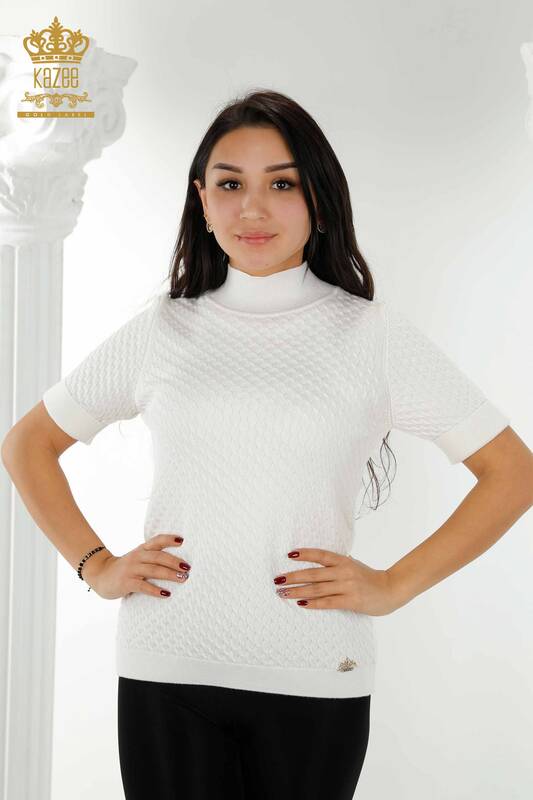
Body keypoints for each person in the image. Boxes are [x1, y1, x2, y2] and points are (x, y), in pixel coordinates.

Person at [2, 89, 532, 800]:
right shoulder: (162, 330)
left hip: (315, 670)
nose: (252, 209)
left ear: (319, 199)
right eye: (230, 185)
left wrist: (393, 584)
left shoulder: (371, 336)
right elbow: (28, 443)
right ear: (202, 199)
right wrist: (95, 565)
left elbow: (511, 472)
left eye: (281, 184)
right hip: (167, 666)